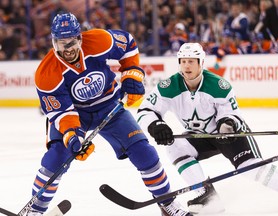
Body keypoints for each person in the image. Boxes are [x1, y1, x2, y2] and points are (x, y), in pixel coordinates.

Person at [28, 12, 191, 216]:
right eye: (61, 44)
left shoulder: (98, 40)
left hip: (109, 107)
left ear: (80, 37)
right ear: (53, 42)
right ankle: (34, 212)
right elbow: (62, 113)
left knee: (144, 152)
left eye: (71, 43)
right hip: (73, 114)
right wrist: (73, 136)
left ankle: (167, 204)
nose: (67, 49)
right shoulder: (46, 73)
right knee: (56, 158)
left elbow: (128, 44)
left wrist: (132, 72)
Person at [137, 42, 278, 214]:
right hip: (200, 137)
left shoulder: (218, 85)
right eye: (183, 61)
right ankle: (205, 192)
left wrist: (227, 124)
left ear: (201, 62)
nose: (186, 65)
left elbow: (232, 113)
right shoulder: (169, 86)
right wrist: (156, 124)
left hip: (228, 135)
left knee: (252, 169)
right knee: (175, 146)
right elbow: (146, 110)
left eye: (191, 61)